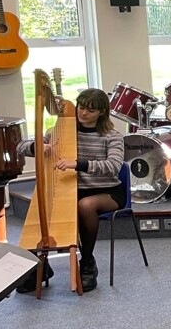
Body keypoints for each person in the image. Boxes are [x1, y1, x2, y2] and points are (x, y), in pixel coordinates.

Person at [16, 88, 125, 293]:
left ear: (102, 112)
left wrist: (78, 164)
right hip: (71, 189)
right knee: (42, 206)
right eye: (81, 108)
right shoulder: (63, 130)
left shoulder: (112, 136)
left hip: (106, 191)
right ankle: (40, 266)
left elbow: (114, 166)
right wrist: (38, 147)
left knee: (85, 205)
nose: (83, 113)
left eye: (90, 111)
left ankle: (88, 262)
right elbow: (19, 147)